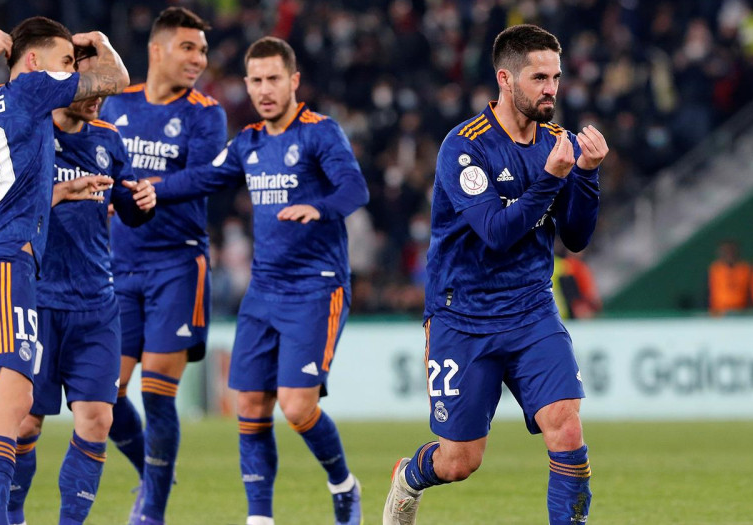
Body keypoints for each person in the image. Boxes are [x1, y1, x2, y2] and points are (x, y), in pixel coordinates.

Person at [382, 24, 606, 525]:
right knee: (461, 460)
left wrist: (586, 175)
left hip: (531, 310)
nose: (551, 88)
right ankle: (409, 477)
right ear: (506, 79)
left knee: (566, 427)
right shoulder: (465, 147)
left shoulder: (557, 142)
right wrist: (553, 178)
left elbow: (576, 237)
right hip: (462, 316)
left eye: (556, 77)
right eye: (539, 78)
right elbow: (496, 232)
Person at [0, 41, 157, 525]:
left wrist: (140, 201)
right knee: (20, 416)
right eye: (76, 74)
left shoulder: (107, 140)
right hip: (32, 288)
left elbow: (129, 209)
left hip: (95, 298)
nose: (94, 93)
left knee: (93, 417)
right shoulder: (31, 120)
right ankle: (11, 516)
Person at [150, 36, 369, 525]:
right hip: (263, 291)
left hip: (316, 286)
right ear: (246, 85)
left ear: (293, 81)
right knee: (248, 403)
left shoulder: (319, 132)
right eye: (256, 80)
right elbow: (204, 178)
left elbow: (354, 187)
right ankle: (259, 519)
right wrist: (152, 189)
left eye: (274, 79)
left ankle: (343, 484)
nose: (265, 89)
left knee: (295, 408)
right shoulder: (248, 142)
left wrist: (320, 206)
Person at [97, 7, 227, 524]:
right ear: (157, 50)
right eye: (188, 48)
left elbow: (208, 176)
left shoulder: (205, 112)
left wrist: (157, 189)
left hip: (178, 264)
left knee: (156, 390)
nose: (199, 58)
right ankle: (154, 472)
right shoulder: (117, 104)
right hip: (119, 266)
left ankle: (151, 510)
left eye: (202, 50)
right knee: (103, 398)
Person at [708, 239, 751, 315]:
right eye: (726, 252)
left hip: (741, 312)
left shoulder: (744, 269)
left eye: (732, 251)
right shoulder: (714, 270)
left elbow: (750, 292)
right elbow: (706, 293)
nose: (729, 254)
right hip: (719, 313)